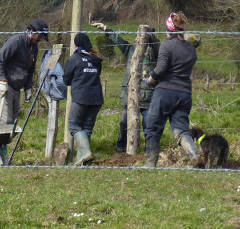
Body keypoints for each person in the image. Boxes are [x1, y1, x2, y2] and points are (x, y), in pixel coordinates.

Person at [143, 12, 202, 168]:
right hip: (184, 93)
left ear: (168, 29)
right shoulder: (191, 49)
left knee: (153, 127)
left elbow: (161, 68)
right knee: (181, 130)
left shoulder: (166, 45)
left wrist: (150, 80)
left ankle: (150, 163)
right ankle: (194, 155)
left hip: (165, 92)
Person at [90, 21, 159, 153]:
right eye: (138, 35)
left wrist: (151, 37)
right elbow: (118, 40)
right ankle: (121, 148)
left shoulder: (153, 53)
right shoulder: (130, 49)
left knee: (148, 125)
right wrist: (106, 29)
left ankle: (150, 149)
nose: (138, 38)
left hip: (148, 97)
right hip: (130, 97)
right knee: (124, 123)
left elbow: (158, 47)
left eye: (141, 36)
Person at [0, 18, 49, 125]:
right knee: (4, 122)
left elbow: (30, 70)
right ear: (32, 31)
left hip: (17, 89)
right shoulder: (15, 42)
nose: (41, 40)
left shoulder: (34, 48)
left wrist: (28, 87)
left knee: (13, 123)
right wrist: (2, 80)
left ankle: (7, 142)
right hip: (5, 86)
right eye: (39, 36)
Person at [63, 32, 104, 165]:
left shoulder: (74, 59)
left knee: (74, 125)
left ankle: (85, 153)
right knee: (87, 127)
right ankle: (82, 161)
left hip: (81, 98)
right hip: (96, 99)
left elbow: (66, 80)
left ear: (76, 44)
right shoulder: (96, 59)